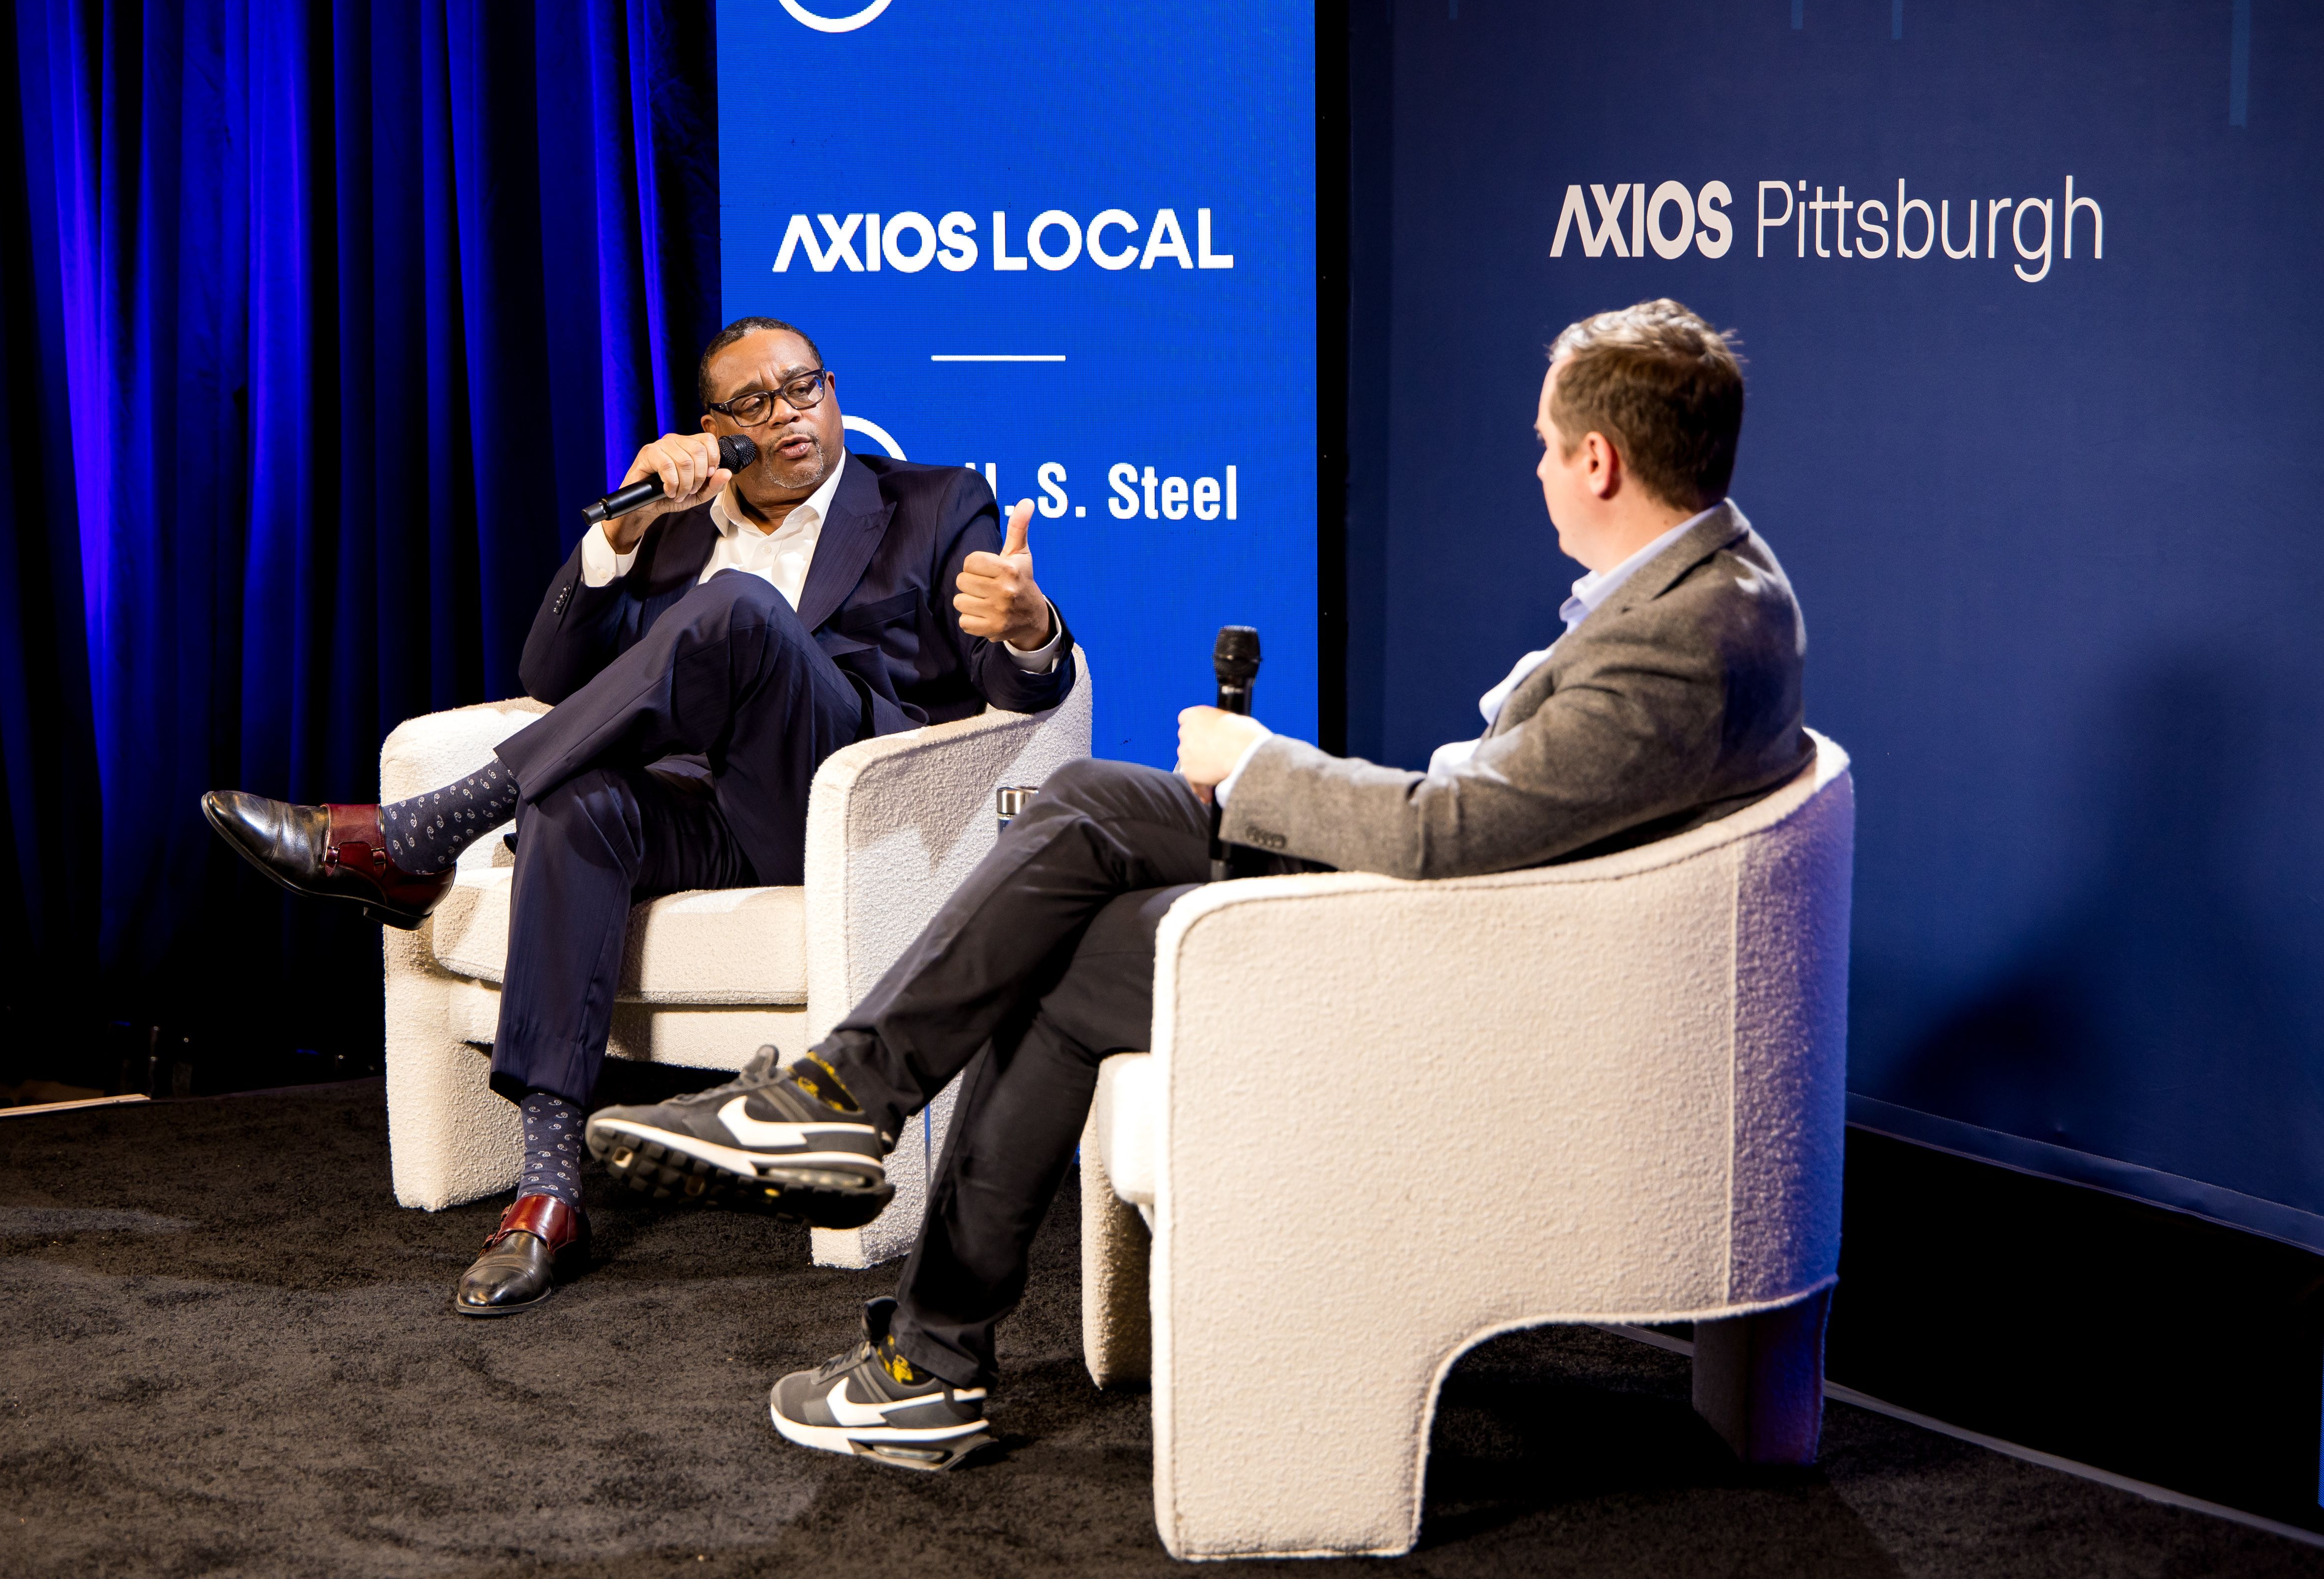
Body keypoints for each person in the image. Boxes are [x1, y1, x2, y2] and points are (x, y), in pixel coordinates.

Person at [579, 298, 1816, 1471]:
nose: (1535, 464)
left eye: (1546, 446)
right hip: (1474, 907)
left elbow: (1461, 835)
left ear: (1599, 461)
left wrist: (1267, 768)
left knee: (1062, 936)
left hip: (1458, 954)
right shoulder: (1708, 586)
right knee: (1093, 804)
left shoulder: (1682, 638)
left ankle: (914, 1314)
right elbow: (1507, 810)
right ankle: (854, 1134)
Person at [202, 316, 1077, 1315]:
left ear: (832, 391)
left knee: (738, 612)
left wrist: (1030, 628)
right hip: (698, 813)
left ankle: (418, 836)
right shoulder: (673, 527)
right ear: (715, 429)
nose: (790, 415)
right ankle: (548, 1192)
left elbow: (1020, 695)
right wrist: (619, 535)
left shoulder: (933, 500)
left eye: (806, 387)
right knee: (577, 800)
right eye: (757, 403)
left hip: (840, 805)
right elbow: (551, 679)